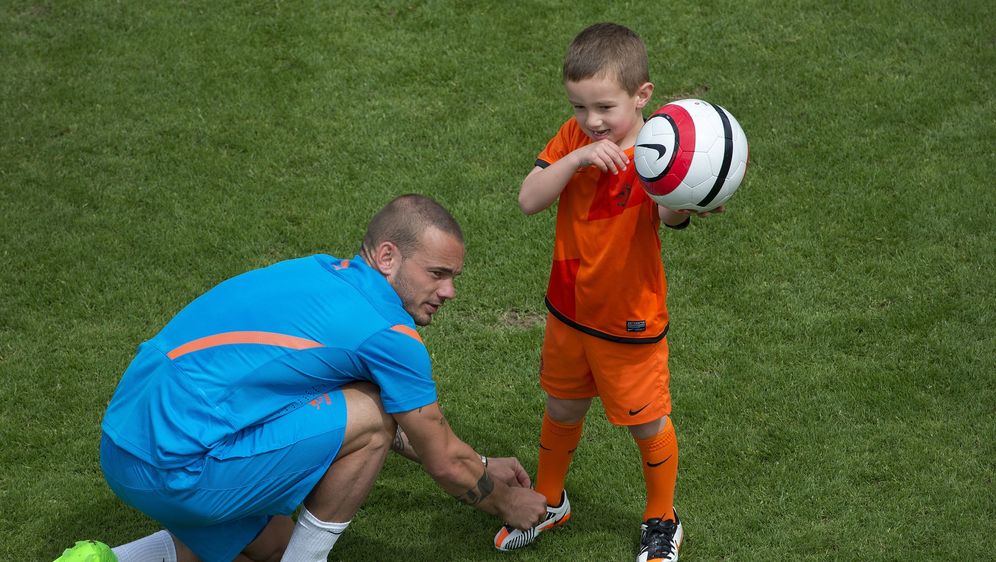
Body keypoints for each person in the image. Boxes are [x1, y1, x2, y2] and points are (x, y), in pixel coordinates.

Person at [56, 194, 548, 562]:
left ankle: (107, 559)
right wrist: (507, 502)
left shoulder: (318, 272)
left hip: (122, 446)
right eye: (438, 273)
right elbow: (440, 459)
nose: (450, 291)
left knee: (271, 544)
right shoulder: (389, 334)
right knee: (374, 415)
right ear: (388, 257)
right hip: (178, 467)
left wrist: (480, 460)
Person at [492, 23, 724, 562]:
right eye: (578, 107)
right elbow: (529, 199)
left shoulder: (660, 151)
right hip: (570, 310)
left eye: (603, 108)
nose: (591, 121)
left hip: (629, 320)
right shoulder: (575, 140)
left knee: (646, 421)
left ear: (642, 96)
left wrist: (687, 194)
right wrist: (575, 159)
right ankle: (550, 500)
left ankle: (662, 518)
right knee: (563, 405)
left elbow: (670, 215)